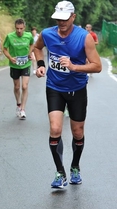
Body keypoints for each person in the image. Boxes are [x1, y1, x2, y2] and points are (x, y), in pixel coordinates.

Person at [34, 0, 102, 188]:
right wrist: (40, 66)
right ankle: (60, 173)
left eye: (65, 19)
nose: (61, 23)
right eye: (58, 19)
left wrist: (74, 66)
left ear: (73, 17)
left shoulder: (84, 37)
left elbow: (97, 66)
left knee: (77, 131)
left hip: (77, 89)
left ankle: (75, 167)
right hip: (54, 87)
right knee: (55, 129)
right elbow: (37, 48)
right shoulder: (47, 34)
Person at [3, 18, 34, 119]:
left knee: (24, 86)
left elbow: (32, 44)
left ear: (24, 27)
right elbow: (4, 49)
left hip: (26, 64)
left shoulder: (29, 35)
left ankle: (23, 109)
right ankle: (18, 104)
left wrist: (30, 53)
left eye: (21, 28)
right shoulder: (10, 36)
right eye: (17, 29)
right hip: (15, 65)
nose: (19, 31)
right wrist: (10, 58)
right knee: (17, 87)